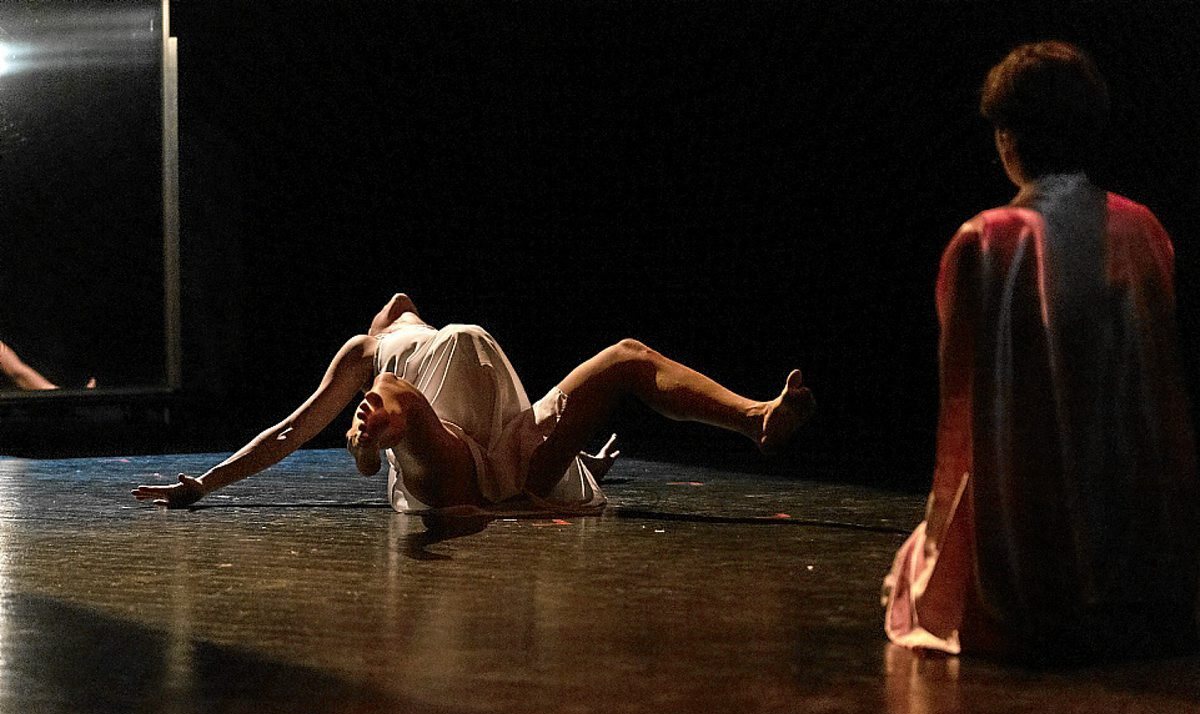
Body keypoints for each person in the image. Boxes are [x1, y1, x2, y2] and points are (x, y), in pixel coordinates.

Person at [882, 41, 1200, 663]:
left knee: (920, 571)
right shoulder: (1143, 229)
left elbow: (961, 419)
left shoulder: (985, 241)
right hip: (1142, 546)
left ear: (1008, 138)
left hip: (1032, 547)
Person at [133, 292, 814, 514]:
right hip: (441, 446)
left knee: (628, 356)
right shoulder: (368, 351)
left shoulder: (437, 341)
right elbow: (289, 431)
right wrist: (206, 483)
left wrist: (583, 462)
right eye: (390, 307)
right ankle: (370, 440)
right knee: (396, 395)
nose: (398, 301)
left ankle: (755, 418)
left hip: (509, 441)